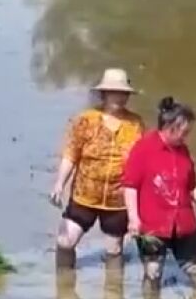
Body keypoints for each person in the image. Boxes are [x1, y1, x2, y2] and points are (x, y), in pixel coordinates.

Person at [122, 97, 196, 289]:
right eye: (184, 132)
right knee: (153, 274)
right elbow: (130, 185)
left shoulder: (183, 152)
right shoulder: (143, 149)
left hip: (184, 225)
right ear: (171, 126)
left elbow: (191, 188)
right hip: (153, 226)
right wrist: (133, 219)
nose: (186, 137)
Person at [49, 68, 146, 270]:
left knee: (114, 251)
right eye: (114, 92)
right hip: (85, 196)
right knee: (65, 241)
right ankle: (64, 286)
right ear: (104, 93)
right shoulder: (86, 120)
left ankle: (113, 294)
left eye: (123, 93)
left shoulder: (135, 124)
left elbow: (142, 163)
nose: (119, 97)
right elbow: (71, 154)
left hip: (117, 200)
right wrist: (59, 184)